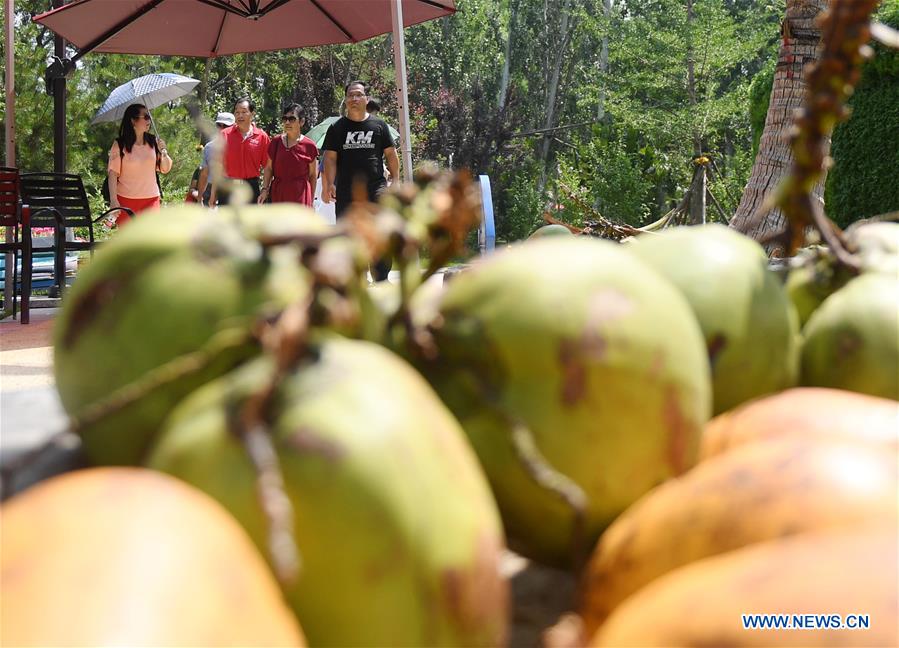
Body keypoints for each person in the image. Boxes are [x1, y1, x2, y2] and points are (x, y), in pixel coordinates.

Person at [322, 81, 400, 280]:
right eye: (350, 95)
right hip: (346, 190)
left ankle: (381, 276)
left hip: (376, 188)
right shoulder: (336, 128)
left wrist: (397, 180)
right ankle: (354, 277)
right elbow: (330, 158)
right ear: (346, 100)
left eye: (358, 95)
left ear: (366, 99)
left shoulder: (379, 126)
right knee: (347, 235)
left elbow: (391, 154)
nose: (354, 99)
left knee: (380, 232)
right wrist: (328, 185)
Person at [107, 103, 172, 226]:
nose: (150, 120)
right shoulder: (119, 144)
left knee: (150, 240)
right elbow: (112, 174)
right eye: (146, 117)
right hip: (125, 201)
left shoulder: (154, 142)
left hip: (151, 199)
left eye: (149, 116)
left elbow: (165, 169)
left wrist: (164, 152)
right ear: (133, 121)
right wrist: (114, 200)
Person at [211, 98, 270, 205]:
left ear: (252, 114)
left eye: (244, 112)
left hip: (251, 188)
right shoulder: (224, 135)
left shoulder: (262, 137)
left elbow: (268, 166)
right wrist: (213, 193)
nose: (240, 115)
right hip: (227, 188)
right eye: (237, 112)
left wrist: (265, 189)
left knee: (249, 221)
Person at [259, 103, 318, 206]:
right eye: (284, 118)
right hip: (278, 195)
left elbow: (313, 175)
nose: (287, 122)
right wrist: (264, 189)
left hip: (300, 196)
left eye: (292, 119)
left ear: (301, 121)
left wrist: (311, 200)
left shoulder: (309, 146)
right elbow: (268, 168)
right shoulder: (276, 142)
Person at [197, 111, 234, 206]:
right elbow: (204, 174)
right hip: (210, 189)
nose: (221, 128)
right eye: (219, 125)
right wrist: (200, 196)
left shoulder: (240, 147)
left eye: (225, 126)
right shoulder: (209, 147)